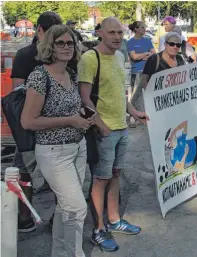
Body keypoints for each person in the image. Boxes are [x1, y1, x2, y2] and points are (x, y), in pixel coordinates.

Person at [21, 24, 94, 257]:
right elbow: (28, 121)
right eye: (60, 43)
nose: (66, 47)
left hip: (77, 147)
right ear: (50, 46)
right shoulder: (40, 76)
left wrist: (84, 118)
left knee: (66, 207)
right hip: (53, 152)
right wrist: (70, 120)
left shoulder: (71, 74)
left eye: (70, 43)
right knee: (76, 207)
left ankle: (61, 254)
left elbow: (73, 111)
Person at [78, 17, 149, 252]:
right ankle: (98, 230)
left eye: (120, 32)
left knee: (115, 175)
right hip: (104, 131)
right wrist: (100, 125)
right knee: (100, 179)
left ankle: (115, 220)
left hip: (121, 128)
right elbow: (85, 97)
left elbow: (120, 94)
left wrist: (134, 112)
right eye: (112, 32)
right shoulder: (90, 58)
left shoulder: (120, 56)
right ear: (100, 33)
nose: (117, 37)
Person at [10, 11, 63, 233]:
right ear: (40, 30)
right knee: (24, 170)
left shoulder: (62, 53)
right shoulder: (25, 54)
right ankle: (25, 216)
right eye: (52, 33)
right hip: (32, 127)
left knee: (59, 174)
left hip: (54, 126)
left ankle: (55, 218)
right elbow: (17, 95)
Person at [131, 32, 186, 113]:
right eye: (172, 44)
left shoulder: (180, 59)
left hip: (175, 103)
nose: (175, 47)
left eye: (178, 45)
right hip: (157, 104)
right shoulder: (154, 59)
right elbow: (144, 80)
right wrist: (151, 99)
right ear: (165, 44)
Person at [127, 21, 156, 126]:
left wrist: (143, 56)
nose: (145, 29)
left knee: (148, 94)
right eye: (142, 27)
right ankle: (133, 116)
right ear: (136, 29)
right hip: (137, 72)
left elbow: (154, 54)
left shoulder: (148, 40)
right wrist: (146, 54)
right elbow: (134, 57)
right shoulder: (130, 42)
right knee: (135, 95)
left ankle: (146, 114)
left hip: (148, 71)